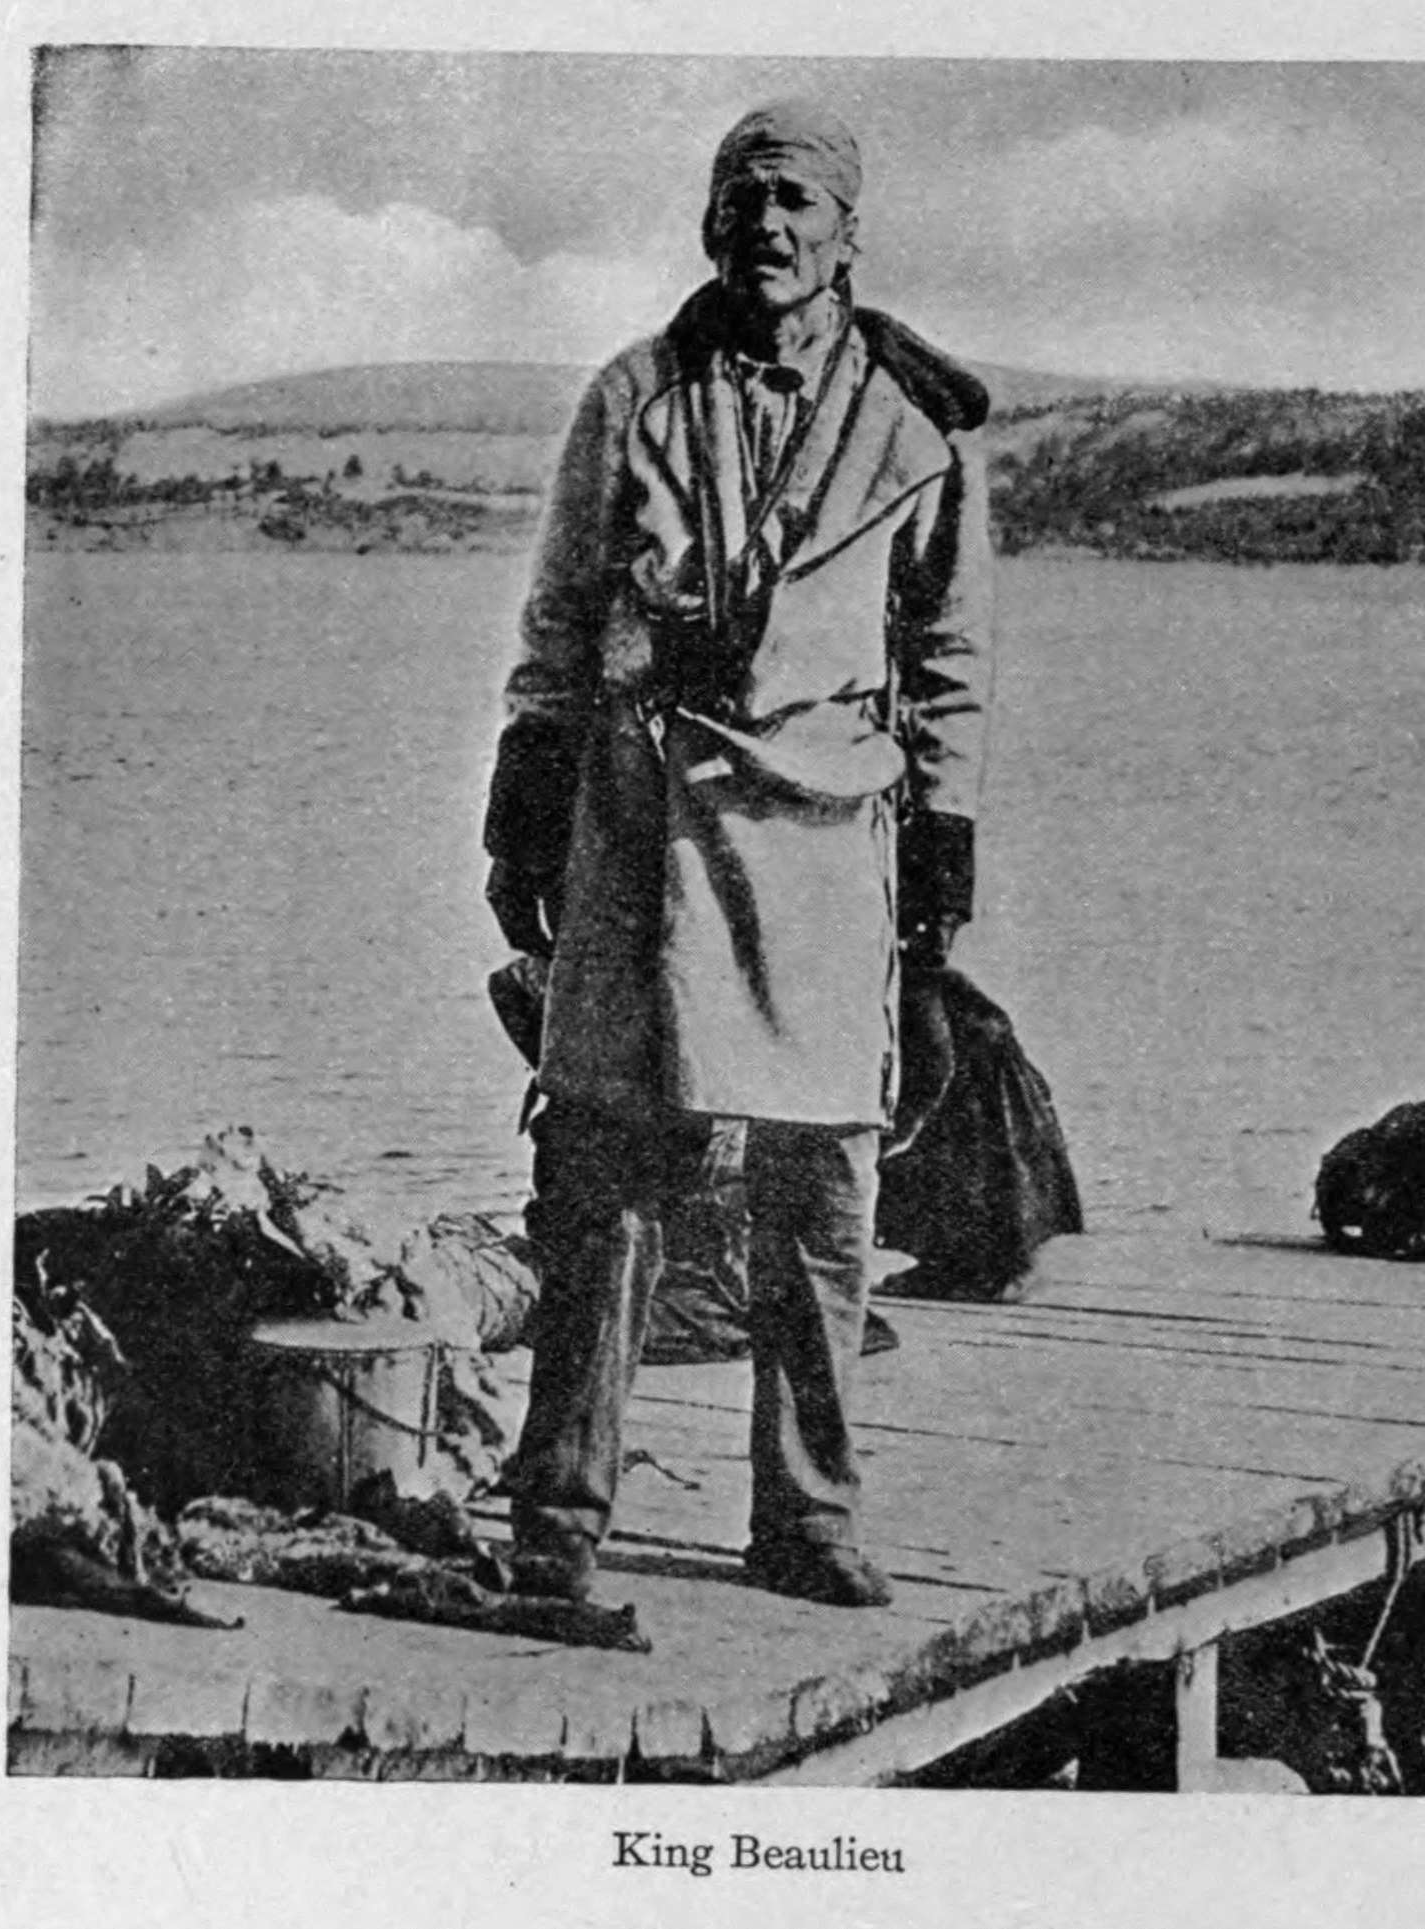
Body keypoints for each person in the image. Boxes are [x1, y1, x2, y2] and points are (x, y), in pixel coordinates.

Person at [483, 100, 994, 1608]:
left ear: (845, 232)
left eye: (795, 202)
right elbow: (562, 616)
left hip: (828, 837)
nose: (767, 226)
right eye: (743, 200)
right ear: (711, 223)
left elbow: (949, 661)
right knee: (602, 1172)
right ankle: (557, 1519)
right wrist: (527, 794)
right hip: (644, 819)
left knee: (823, 1188)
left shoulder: (915, 429)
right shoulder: (633, 396)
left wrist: (944, 839)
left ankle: (809, 1519)